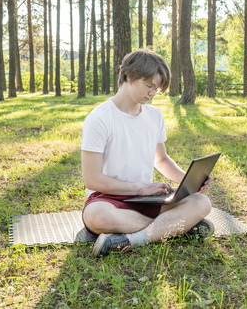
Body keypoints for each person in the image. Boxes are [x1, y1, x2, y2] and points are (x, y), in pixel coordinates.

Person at [81, 48, 215, 257]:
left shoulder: (154, 116)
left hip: (148, 200)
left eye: (156, 88)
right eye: (149, 85)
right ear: (128, 76)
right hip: (108, 199)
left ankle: (134, 239)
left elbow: (161, 159)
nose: (152, 93)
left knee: (201, 202)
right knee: (97, 216)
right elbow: (93, 180)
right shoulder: (99, 119)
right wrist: (141, 188)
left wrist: (190, 180)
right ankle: (178, 228)